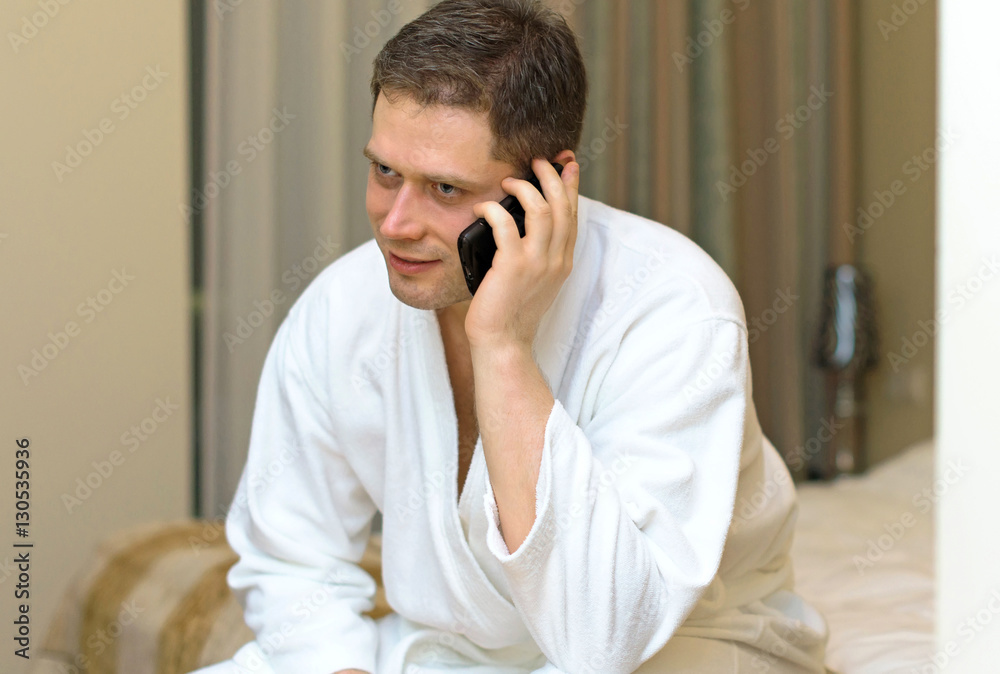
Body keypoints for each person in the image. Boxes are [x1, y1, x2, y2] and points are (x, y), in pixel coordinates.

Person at [189, 1, 830, 672]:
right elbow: (291, 557)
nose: (395, 223)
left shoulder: (674, 311)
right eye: (385, 172)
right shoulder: (341, 308)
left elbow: (604, 634)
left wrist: (501, 346)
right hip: (454, 655)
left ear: (546, 187)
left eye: (443, 187)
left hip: (677, 649)